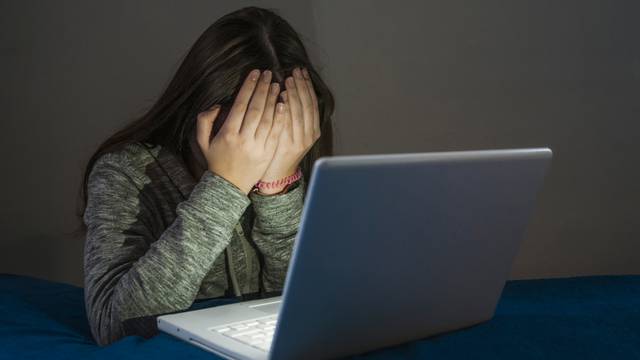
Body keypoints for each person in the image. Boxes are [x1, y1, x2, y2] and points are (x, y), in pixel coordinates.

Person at [75, 6, 335, 346]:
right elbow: (114, 326)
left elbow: (307, 307)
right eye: (250, 129)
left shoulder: (294, 156)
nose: (269, 146)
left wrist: (278, 192)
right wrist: (225, 187)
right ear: (201, 111)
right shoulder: (124, 171)